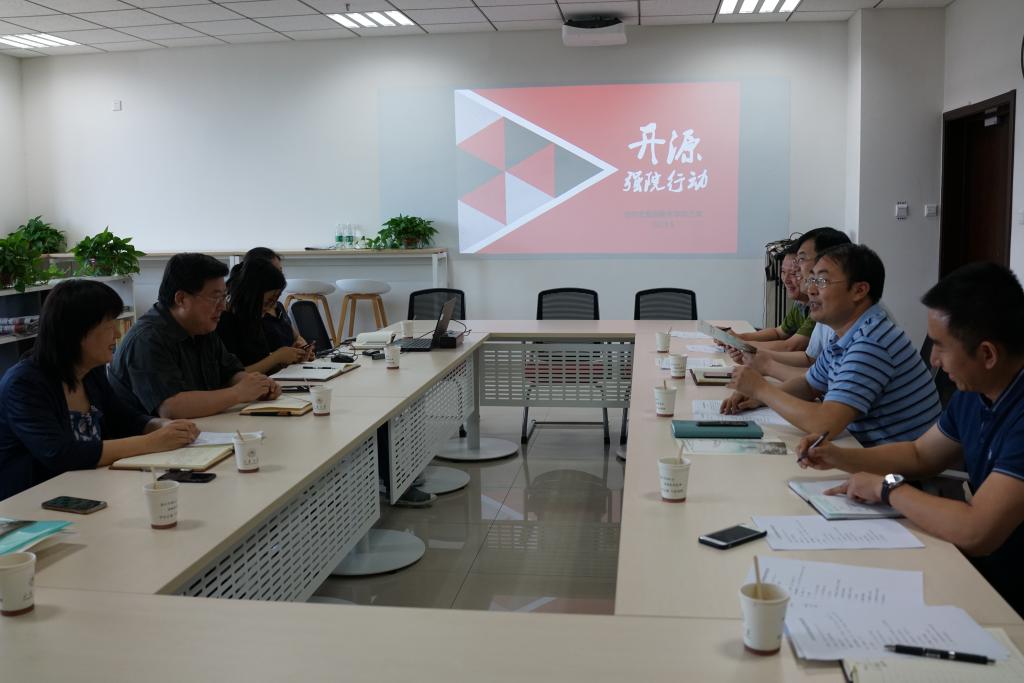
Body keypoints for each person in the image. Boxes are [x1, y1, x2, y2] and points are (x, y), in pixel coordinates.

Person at [798, 262, 1024, 616]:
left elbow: (977, 531)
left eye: (941, 346)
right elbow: (921, 455)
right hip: (981, 570)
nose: (933, 360)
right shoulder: (974, 391)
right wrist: (838, 457)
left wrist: (888, 488)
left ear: (987, 354)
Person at [723, 243, 940, 447]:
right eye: (812, 280)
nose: (810, 290)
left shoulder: (871, 342)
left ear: (859, 291)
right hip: (864, 450)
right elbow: (810, 385)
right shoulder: (846, 335)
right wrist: (758, 398)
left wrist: (762, 390)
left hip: (895, 467)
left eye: (822, 281)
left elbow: (825, 425)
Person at [0, 280, 198, 501]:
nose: (117, 334)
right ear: (77, 332)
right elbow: (59, 454)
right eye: (108, 325)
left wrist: (161, 425)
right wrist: (152, 442)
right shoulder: (24, 384)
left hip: (86, 490)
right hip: (32, 502)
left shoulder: (90, 372)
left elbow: (125, 419)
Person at [109, 253, 281, 419]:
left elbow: (231, 373)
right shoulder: (147, 338)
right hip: (151, 438)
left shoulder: (202, 327)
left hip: (202, 429)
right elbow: (171, 408)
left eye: (224, 297)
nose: (222, 306)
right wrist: (238, 393)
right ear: (181, 299)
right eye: (215, 298)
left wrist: (259, 385)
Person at [731, 227, 852, 382]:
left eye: (801, 260)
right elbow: (812, 365)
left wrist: (764, 367)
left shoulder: (864, 336)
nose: (796, 270)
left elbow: (821, 383)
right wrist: (755, 356)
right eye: (784, 272)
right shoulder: (826, 316)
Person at [218, 257, 311, 375]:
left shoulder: (254, 321)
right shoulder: (226, 322)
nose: (271, 307)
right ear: (252, 296)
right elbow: (232, 376)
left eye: (274, 301)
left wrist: (289, 358)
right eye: (268, 302)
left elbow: (264, 367)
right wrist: (276, 357)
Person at [732, 241, 813, 352]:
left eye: (794, 273)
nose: (786, 280)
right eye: (783, 272)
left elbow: (790, 346)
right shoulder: (799, 303)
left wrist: (740, 343)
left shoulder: (818, 308)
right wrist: (738, 337)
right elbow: (778, 333)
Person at [228, 247, 309, 352]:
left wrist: (303, 349)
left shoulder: (278, 307)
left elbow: (297, 337)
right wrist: (280, 357)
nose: (280, 277)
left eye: (280, 272)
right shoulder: (246, 316)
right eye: (274, 272)